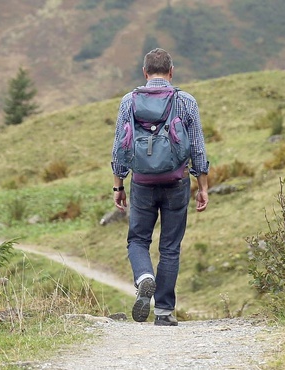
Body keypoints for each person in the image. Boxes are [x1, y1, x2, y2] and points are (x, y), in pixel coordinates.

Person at [111, 48, 209, 326]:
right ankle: (164, 312)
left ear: (144, 72)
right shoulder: (186, 101)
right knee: (170, 247)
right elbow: (198, 148)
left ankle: (144, 277)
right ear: (171, 71)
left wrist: (118, 185)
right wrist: (202, 186)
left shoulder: (128, 101)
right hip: (176, 181)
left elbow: (120, 146)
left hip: (141, 182)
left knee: (138, 240)